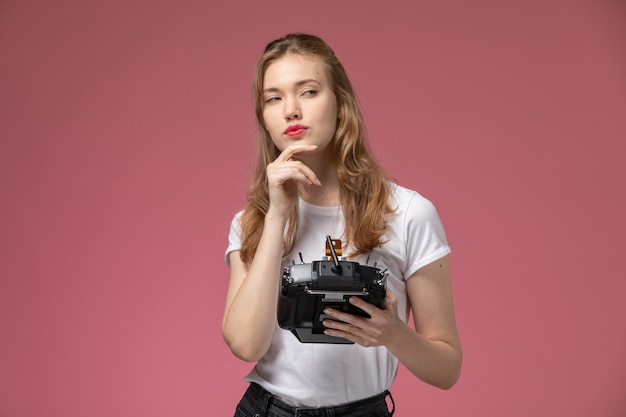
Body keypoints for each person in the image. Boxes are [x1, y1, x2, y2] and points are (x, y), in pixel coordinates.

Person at [222, 33, 462, 417]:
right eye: (274, 98)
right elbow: (245, 346)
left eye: (309, 92)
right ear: (264, 118)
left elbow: (447, 369)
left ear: (340, 105)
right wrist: (278, 215)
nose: (291, 111)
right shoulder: (252, 221)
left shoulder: (409, 213)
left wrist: (393, 335)